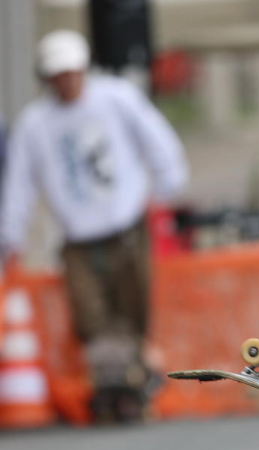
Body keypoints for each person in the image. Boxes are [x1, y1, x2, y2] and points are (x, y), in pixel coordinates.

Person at [0, 31, 188, 422]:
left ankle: (135, 377)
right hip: (78, 237)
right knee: (91, 315)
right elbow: (20, 183)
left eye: (71, 73)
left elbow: (155, 137)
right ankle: (111, 382)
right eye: (59, 76)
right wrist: (10, 235)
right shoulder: (35, 123)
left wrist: (169, 182)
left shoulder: (116, 98)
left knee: (133, 307)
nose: (67, 82)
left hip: (126, 226)